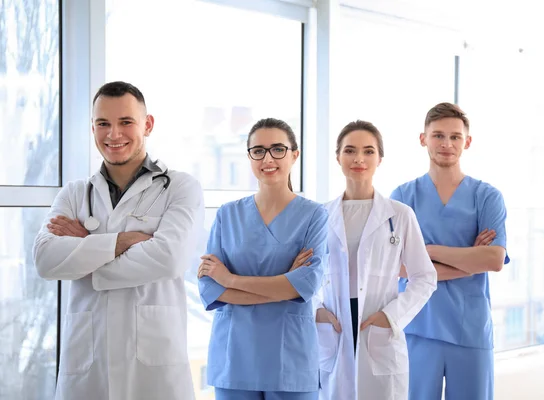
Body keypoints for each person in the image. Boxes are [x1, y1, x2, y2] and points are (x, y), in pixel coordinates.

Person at [33, 81, 203, 400]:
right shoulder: (74, 193)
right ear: (93, 128)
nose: (114, 135)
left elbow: (169, 259)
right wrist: (121, 242)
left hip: (155, 370)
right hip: (87, 369)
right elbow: (45, 260)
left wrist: (86, 253)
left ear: (147, 124)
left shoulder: (180, 188)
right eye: (103, 124)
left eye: (126, 122)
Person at [197, 118, 327, 400]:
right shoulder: (227, 215)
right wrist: (283, 286)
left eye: (278, 149)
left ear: (295, 154)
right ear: (249, 157)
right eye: (258, 150)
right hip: (235, 359)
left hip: (290, 360)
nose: (268, 158)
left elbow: (306, 285)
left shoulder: (314, 216)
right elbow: (211, 288)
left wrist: (231, 279)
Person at [391, 102, 509, 400]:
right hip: (417, 324)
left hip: (469, 327)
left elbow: (494, 260)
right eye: (438, 135)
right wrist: (470, 259)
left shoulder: (487, 197)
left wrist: (427, 251)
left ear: (467, 142)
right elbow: (398, 267)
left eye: (455, 137)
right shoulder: (403, 197)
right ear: (423, 139)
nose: (447, 144)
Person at [315, 120, 437, 400]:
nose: (359, 158)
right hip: (335, 325)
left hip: (376, 324)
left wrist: (391, 316)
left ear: (380, 159)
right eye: (350, 151)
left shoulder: (400, 215)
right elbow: (304, 275)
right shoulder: (319, 216)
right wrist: (316, 311)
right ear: (338, 157)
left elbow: (424, 277)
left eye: (368, 151)